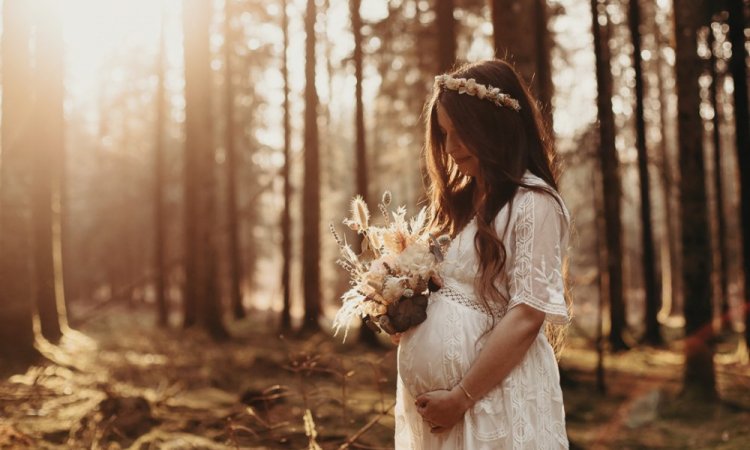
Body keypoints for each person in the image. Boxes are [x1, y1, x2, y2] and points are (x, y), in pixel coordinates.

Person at [394, 59, 571, 449]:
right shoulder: (457, 203)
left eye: (462, 133)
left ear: (495, 127)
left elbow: (526, 315)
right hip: (438, 414)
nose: (452, 148)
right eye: (445, 134)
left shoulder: (532, 203)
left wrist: (461, 397)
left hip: (491, 400)